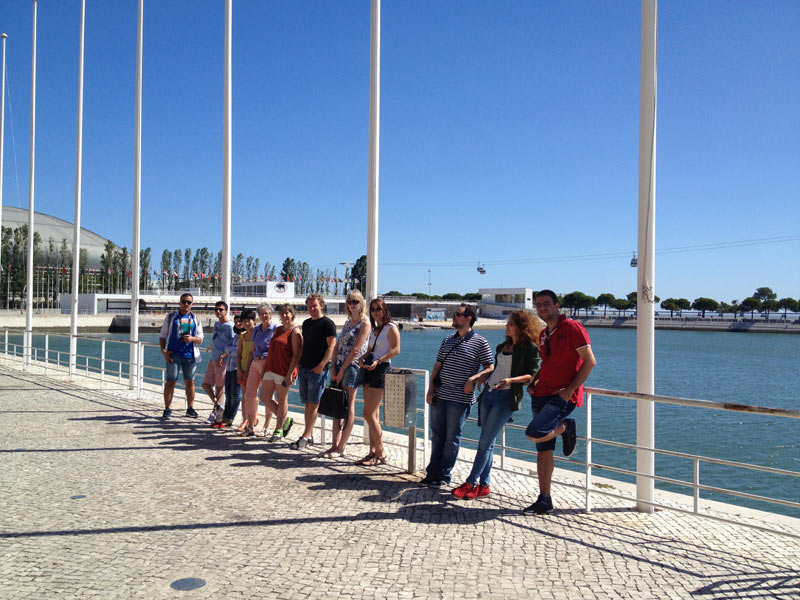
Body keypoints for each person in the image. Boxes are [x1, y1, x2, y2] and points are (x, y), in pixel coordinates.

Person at [452, 310, 540, 500]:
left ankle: (471, 482)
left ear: (521, 327)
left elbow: (532, 375)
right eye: (508, 323)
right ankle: (484, 486)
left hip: (506, 398)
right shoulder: (502, 346)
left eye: (511, 324)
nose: (507, 326)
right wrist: (484, 377)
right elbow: (496, 369)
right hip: (489, 395)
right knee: (488, 443)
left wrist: (511, 380)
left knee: (484, 443)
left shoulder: (530, 348)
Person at [523, 289, 597, 515]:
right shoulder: (544, 334)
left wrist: (569, 391)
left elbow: (590, 362)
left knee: (535, 432)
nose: (542, 308)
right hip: (540, 394)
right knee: (543, 449)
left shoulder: (572, 328)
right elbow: (547, 364)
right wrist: (533, 382)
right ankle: (544, 499)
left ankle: (567, 426)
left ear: (557, 305)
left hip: (561, 396)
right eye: (538, 305)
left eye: (546, 303)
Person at [421, 303, 494, 487]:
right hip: (440, 394)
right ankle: (432, 473)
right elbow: (437, 366)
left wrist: (474, 378)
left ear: (468, 318)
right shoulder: (447, 340)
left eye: (457, 314)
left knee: (452, 437)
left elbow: (490, 367)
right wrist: (431, 389)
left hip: (460, 398)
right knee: (437, 436)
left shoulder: (480, 342)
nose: (453, 317)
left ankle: (444, 475)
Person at [322, 289, 370, 458]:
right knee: (337, 404)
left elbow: (357, 349)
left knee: (348, 405)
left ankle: (341, 446)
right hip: (340, 365)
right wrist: (334, 366)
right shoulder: (348, 322)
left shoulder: (365, 323)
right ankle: (334, 445)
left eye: (355, 301)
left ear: (361, 303)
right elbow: (337, 345)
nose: (352, 305)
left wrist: (342, 370)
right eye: (349, 302)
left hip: (352, 368)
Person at [354, 297, 401, 466]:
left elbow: (396, 349)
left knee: (368, 413)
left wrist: (379, 360)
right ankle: (372, 452)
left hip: (381, 370)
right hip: (370, 370)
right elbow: (370, 350)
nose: (375, 312)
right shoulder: (374, 329)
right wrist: (363, 358)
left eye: (378, 309)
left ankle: (380, 452)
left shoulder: (391, 327)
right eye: (372, 309)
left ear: (384, 310)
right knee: (372, 414)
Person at [290, 294, 336, 450]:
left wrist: (322, 365)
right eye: (309, 306)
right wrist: (297, 365)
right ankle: (308, 435)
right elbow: (304, 346)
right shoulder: (306, 323)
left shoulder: (328, 324)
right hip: (304, 367)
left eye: (314, 306)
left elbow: (331, 346)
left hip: (318, 370)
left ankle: (305, 436)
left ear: (321, 305)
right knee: (307, 404)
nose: (312, 309)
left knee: (315, 404)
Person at [159, 293, 204, 419]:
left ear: (192, 304)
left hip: (190, 355)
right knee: (170, 382)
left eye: (189, 302)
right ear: (180, 303)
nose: (186, 304)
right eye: (184, 301)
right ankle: (167, 409)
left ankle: (190, 408)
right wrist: (163, 351)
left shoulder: (196, 319)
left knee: (190, 382)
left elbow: (200, 338)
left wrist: (192, 339)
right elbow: (163, 335)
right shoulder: (171, 317)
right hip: (173, 354)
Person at [262, 303, 302, 442]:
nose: (285, 315)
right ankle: (285, 420)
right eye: (282, 313)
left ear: (292, 314)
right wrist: (265, 367)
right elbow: (271, 349)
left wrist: (290, 373)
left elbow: (297, 355)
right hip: (271, 367)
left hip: (284, 370)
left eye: (287, 312)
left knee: (282, 399)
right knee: (264, 397)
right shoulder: (277, 329)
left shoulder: (295, 332)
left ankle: (278, 429)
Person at [241, 303, 277, 437]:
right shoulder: (256, 330)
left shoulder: (275, 329)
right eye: (261, 314)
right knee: (249, 394)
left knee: (268, 396)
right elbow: (252, 350)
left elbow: (275, 350)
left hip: (268, 363)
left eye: (266, 313)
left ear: (271, 314)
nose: (264, 316)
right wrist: (248, 366)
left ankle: (267, 427)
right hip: (255, 362)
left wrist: (267, 366)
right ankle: (250, 426)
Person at [202, 300, 235, 423]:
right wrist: (211, 346)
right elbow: (217, 338)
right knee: (205, 384)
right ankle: (218, 406)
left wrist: (224, 355)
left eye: (221, 309)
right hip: (213, 358)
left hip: (223, 361)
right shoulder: (216, 325)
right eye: (216, 309)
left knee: (220, 388)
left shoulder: (230, 326)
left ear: (226, 311)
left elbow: (234, 343)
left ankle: (215, 414)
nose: (218, 312)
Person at [213, 313, 243, 429]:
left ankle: (230, 419)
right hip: (230, 367)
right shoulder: (236, 336)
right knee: (229, 394)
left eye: (240, 321)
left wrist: (232, 350)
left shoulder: (245, 336)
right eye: (236, 322)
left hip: (237, 367)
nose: (238, 324)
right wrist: (232, 350)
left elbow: (237, 350)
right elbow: (228, 347)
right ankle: (225, 417)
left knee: (236, 395)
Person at [236, 309, 257, 434]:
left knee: (252, 396)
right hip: (243, 368)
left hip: (254, 369)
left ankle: (252, 418)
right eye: (244, 321)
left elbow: (253, 352)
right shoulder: (242, 336)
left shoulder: (257, 334)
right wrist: (239, 369)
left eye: (249, 320)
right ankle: (245, 419)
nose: (247, 323)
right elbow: (239, 354)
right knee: (244, 395)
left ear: (254, 321)